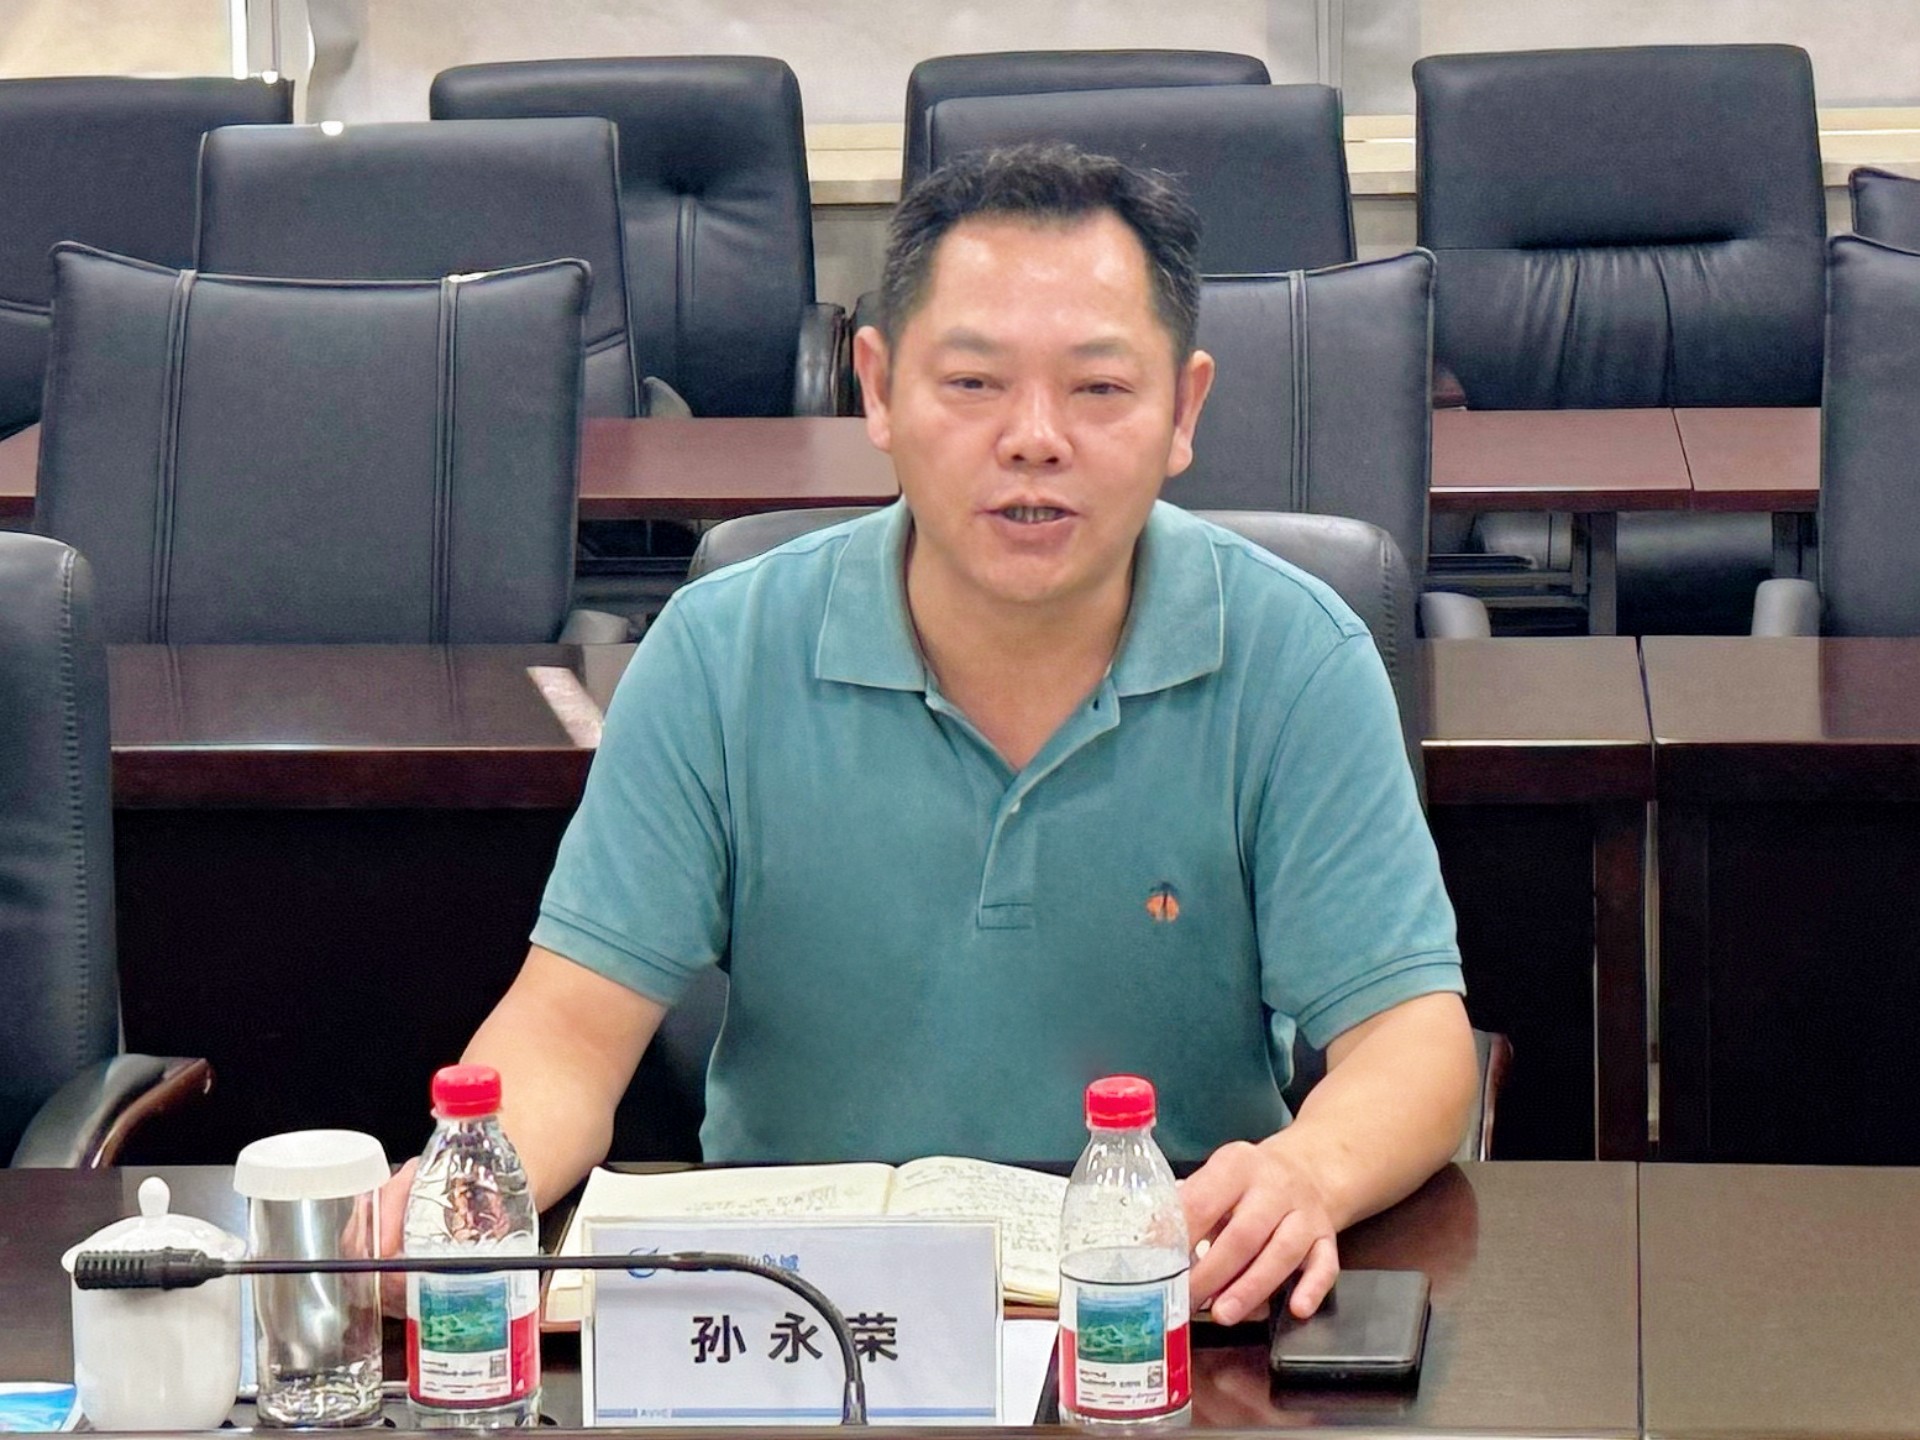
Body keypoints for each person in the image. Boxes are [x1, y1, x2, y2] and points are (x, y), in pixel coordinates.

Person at [387, 144, 1477, 1327]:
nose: (1034, 438)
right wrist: (460, 1192)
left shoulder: (1296, 656)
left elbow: (1414, 1045)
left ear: (1184, 410)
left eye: (1099, 388)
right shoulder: (717, 651)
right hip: (790, 1321)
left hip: (1161, 1311)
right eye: (972, 382)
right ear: (876, 389)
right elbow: (564, 1032)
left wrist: (1308, 1171)